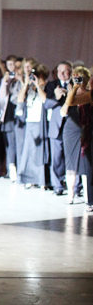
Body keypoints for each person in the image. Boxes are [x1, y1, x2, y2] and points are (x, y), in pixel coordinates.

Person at [60, 66, 92, 209]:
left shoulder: (89, 94)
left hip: (87, 131)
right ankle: (73, 195)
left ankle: (88, 198)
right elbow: (67, 106)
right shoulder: (74, 94)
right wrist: (73, 88)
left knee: (87, 166)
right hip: (74, 131)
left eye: (81, 78)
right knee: (73, 163)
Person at [16, 64, 50, 188]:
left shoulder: (47, 86)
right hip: (30, 122)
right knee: (28, 151)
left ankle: (41, 180)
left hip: (41, 123)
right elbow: (20, 100)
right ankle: (28, 178)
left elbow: (45, 99)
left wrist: (37, 85)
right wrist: (26, 84)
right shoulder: (30, 88)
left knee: (39, 152)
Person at [44, 61, 72, 195]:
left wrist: (71, 93)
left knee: (72, 158)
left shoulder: (75, 85)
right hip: (56, 126)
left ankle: (75, 187)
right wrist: (56, 96)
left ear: (70, 72)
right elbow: (46, 105)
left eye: (65, 71)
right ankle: (58, 186)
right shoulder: (51, 85)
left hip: (72, 126)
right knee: (56, 158)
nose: (62, 74)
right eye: (59, 71)